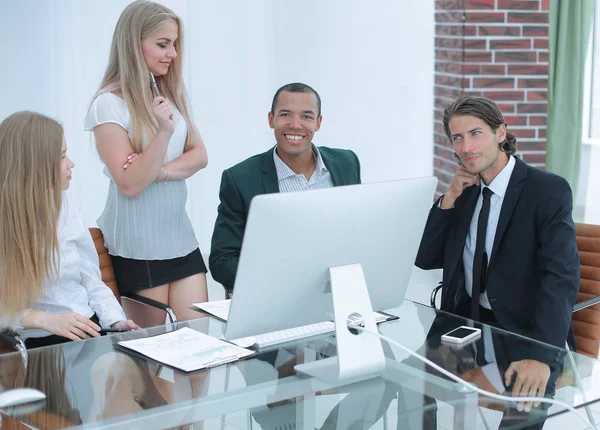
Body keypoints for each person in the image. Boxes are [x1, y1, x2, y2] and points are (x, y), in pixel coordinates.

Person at [415, 96, 579, 427]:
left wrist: (542, 356)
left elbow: (559, 279)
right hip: (468, 327)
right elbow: (426, 258)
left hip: (527, 332)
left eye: (475, 133)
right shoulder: (465, 192)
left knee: (524, 404)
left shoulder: (546, 191)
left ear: (500, 133)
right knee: (398, 379)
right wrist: (448, 198)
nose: (466, 146)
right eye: (457, 138)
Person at [84, 0, 209, 323]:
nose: (173, 54)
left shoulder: (170, 92)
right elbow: (130, 184)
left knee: (200, 347)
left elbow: (200, 155)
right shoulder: (107, 106)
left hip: (181, 239)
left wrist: (160, 171)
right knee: (150, 362)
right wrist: (164, 132)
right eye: (163, 44)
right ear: (133, 44)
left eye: (175, 44)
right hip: (138, 247)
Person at [0, 111, 139, 348]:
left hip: (87, 329)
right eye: (62, 156)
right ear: (35, 165)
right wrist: (43, 319)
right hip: (36, 344)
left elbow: (89, 277)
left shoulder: (64, 205)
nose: (71, 163)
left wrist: (115, 320)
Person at [209, 82, 361, 293]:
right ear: (271, 120)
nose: (295, 125)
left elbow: (357, 233)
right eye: (285, 114)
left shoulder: (347, 163)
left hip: (337, 293)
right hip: (275, 296)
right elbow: (222, 261)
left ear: (318, 123)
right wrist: (276, 283)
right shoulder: (240, 178)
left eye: (307, 116)